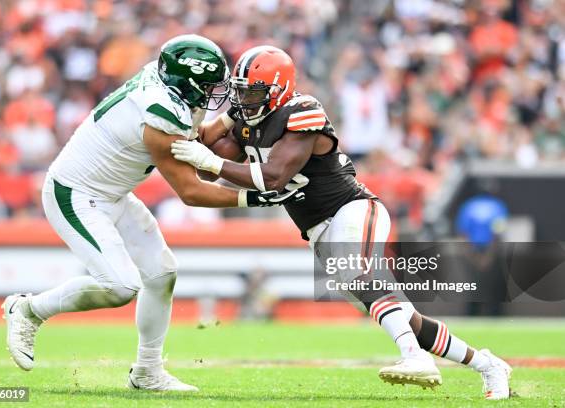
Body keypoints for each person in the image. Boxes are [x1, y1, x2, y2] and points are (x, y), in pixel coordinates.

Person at [171, 45, 512, 400]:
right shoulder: (248, 120)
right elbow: (206, 155)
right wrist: (214, 125)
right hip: (319, 230)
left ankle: (416, 359)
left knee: (358, 275)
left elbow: (272, 176)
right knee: (401, 317)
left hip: (353, 208)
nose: (244, 99)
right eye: (240, 91)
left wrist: (209, 161)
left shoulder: (302, 111)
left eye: (252, 91)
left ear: (278, 90)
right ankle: (487, 364)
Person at [1, 35, 303, 392]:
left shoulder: (168, 88)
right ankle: (29, 309)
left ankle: (147, 371)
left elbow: (196, 141)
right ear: (185, 83)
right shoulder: (161, 111)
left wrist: (231, 121)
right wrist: (255, 198)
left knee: (162, 273)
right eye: (207, 86)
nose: (214, 95)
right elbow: (192, 190)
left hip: (113, 193)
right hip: (76, 194)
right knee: (121, 286)